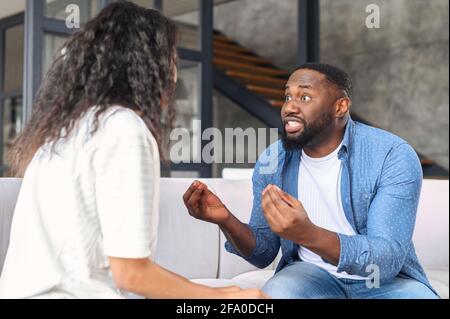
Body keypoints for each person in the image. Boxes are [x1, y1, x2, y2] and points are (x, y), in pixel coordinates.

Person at [0, 1, 267, 299]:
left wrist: (207, 291)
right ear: (152, 66)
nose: (176, 74)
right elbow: (130, 274)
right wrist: (227, 298)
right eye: (173, 59)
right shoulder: (124, 129)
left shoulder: (65, 130)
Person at [183, 63, 439, 299]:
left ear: (340, 107)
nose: (289, 107)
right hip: (308, 275)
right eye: (287, 96)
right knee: (277, 294)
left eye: (304, 97)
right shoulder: (273, 160)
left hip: (385, 282)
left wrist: (308, 234)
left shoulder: (390, 154)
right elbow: (263, 253)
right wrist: (225, 220)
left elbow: (387, 259)